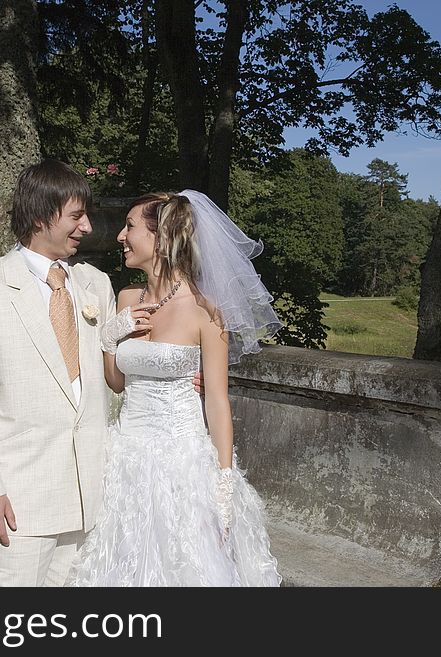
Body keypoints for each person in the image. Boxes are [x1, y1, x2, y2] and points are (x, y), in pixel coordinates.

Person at [67, 190, 283, 586]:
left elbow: (217, 401)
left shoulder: (206, 310)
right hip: (126, 458)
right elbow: (116, 383)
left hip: (182, 462)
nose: (119, 236)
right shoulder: (127, 298)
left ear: (161, 237)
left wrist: (223, 480)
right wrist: (110, 339)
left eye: (129, 227)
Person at [0, 159, 119, 587]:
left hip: (90, 493)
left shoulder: (95, 284)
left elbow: (116, 371)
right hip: (22, 495)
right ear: (43, 215)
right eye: (76, 216)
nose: (86, 228)